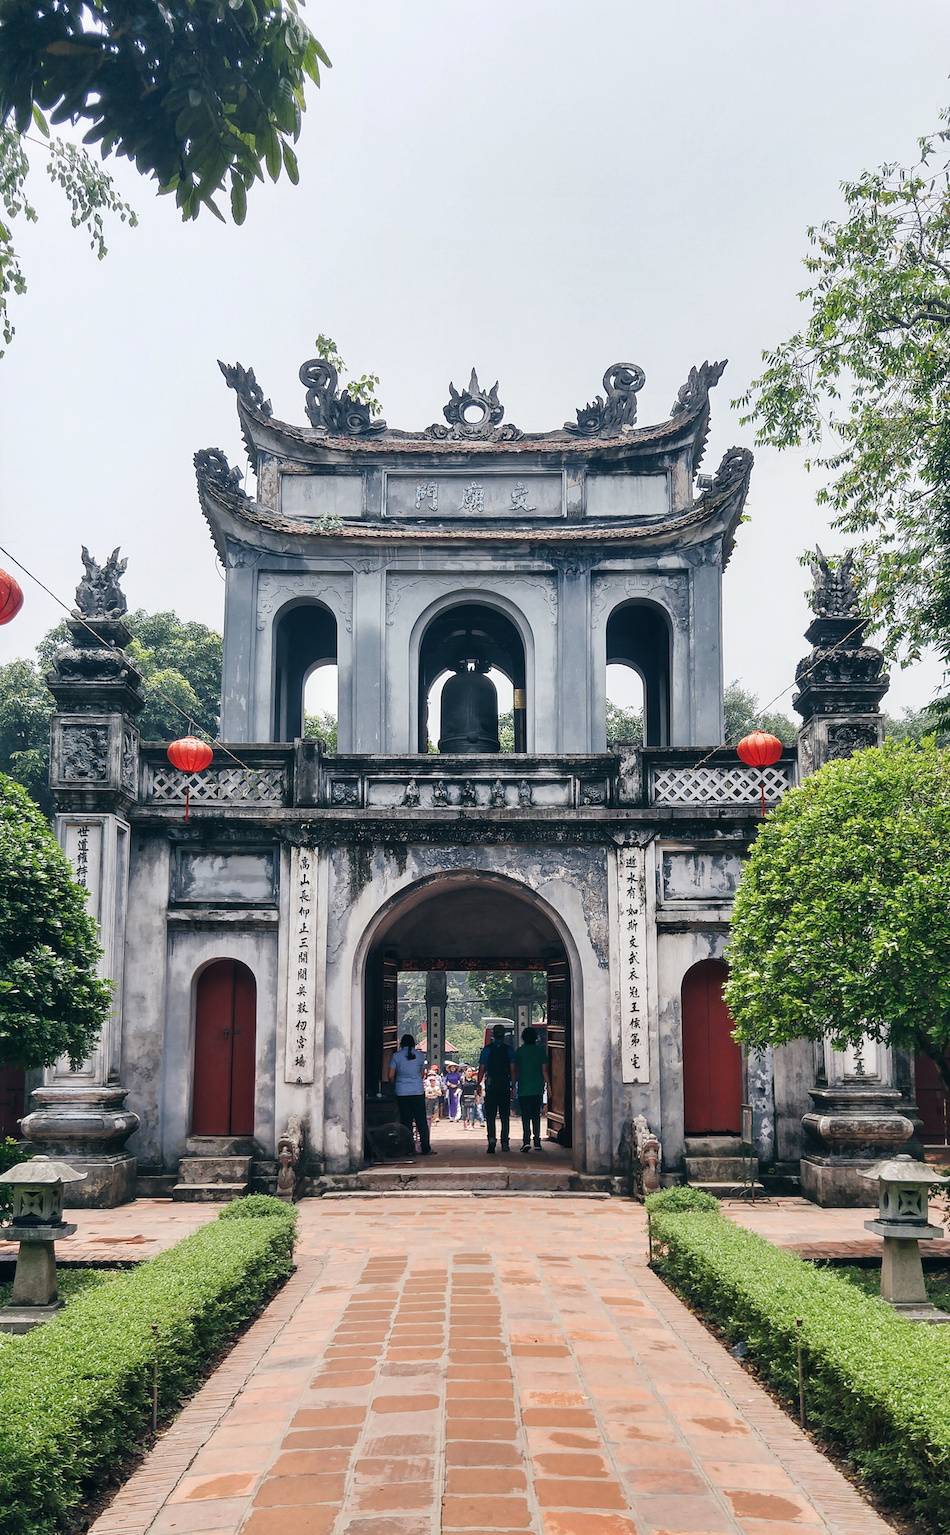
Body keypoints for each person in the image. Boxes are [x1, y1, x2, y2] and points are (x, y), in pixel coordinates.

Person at [388, 1034, 434, 1155]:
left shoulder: (396, 1056)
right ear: (413, 1043)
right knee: (421, 1121)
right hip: (417, 1091)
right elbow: (422, 1074)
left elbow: (390, 1075)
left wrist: (396, 1084)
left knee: (406, 1121)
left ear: (401, 1043)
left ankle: (408, 1149)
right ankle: (426, 1148)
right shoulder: (420, 1056)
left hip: (402, 1092)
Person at [477, 1023, 515, 1154]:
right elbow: (513, 1069)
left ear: (493, 1035)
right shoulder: (508, 1050)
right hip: (504, 1084)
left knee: (491, 1115)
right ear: (504, 1035)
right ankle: (505, 1143)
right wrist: (513, 1085)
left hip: (491, 1085)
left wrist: (478, 1084)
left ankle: (491, 1140)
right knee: (505, 1115)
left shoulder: (487, 1050)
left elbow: (482, 1068)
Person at [514, 1025, 549, 1152]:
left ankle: (526, 1141)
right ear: (535, 1038)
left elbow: (516, 1071)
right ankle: (537, 1141)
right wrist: (549, 1085)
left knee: (525, 1116)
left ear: (523, 1038)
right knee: (536, 1116)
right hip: (537, 1088)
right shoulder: (540, 1051)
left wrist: (513, 1085)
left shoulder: (520, 1051)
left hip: (523, 1088)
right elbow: (544, 1070)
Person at [424, 1065, 444, 1131]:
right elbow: (426, 1094)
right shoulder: (426, 1083)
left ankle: (435, 1120)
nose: (432, 1081)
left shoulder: (437, 1083)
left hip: (435, 1099)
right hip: (429, 1099)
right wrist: (433, 1093)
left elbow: (440, 1093)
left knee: (436, 1109)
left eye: (433, 1080)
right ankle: (430, 1122)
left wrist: (435, 1092)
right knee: (429, 1111)